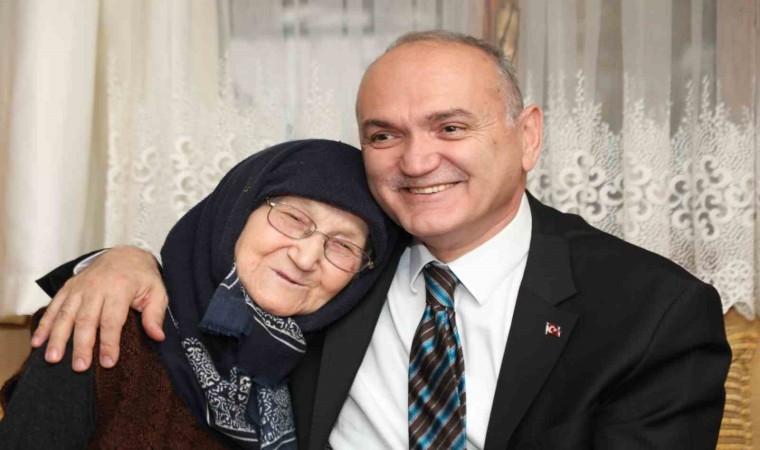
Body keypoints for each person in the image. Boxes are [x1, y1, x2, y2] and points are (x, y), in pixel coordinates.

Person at [27, 31, 730, 449]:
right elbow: (216, 276)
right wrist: (118, 261)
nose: (417, 161)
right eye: (384, 135)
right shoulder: (342, 276)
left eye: (450, 127)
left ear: (527, 137)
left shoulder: (651, 314)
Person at [0, 139, 399, 449]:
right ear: (238, 211)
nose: (307, 257)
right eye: (294, 218)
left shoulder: (325, 379)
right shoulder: (109, 323)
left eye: (343, 245)